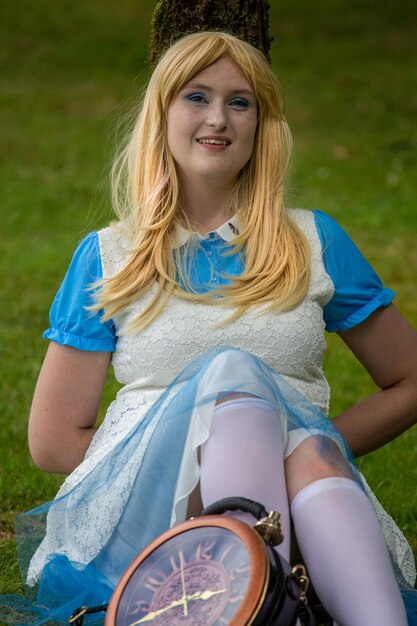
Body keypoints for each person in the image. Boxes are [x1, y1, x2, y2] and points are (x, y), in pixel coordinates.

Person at [5, 31, 417, 626]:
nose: (218, 118)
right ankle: (263, 605)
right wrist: (182, 449)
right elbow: (51, 441)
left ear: (262, 124)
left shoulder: (312, 241)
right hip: (155, 520)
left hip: (304, 506)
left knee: (293, 441)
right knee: (234, 386)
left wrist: (305, 444)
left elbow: (409, 377)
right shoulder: (109, 256)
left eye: (240, 102)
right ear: (163, 114)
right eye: (196, 97)